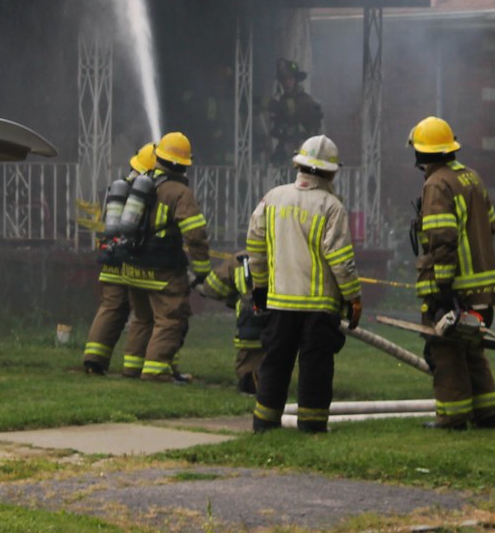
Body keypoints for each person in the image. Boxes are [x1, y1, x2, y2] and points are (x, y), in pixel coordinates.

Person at [246, 134, 362, 432]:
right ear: (331, 172)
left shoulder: (273, 198)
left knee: (275, 362)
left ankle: (264, 423)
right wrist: (353, 297)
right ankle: (312, 427)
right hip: (319, 307)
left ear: (298, 165)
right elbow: (340, 259)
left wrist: (260, 287)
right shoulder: (331, 206)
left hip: (280, 302)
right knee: (316, 366)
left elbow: (255, 246)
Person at [408, 116, 495, 431]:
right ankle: (487, 414)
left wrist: (443, 288)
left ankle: (452, 416)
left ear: (422, 153)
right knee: (473, 349)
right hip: (483, 287)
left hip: (455, 286)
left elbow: (442, 240)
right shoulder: (472, 178)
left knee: (446, 349)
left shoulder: (437, 184)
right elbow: (491, 224)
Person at [121, 131, 212, 383]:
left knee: (142, 319)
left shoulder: (142, 183)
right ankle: (156, 370)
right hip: (162, 269)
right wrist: (202, 270)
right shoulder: (180, 193)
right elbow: (195, 234)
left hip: (133, 265)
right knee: (170, 318)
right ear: (184, 163)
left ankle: (132, 367)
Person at [82, 142, 157, 376]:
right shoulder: (147, 193)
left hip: (111, 256)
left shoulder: (118, 188)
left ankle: (93, 359)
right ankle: (134, 365)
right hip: (133, 260)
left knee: (110, 308)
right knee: (143, 314)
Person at [199, 252, 266, 393]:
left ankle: (251, 386)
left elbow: (213, 288)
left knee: (249, 361)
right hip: (281, 320)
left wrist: (234, 295)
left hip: (250, 321)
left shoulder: (240, 259)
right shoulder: (285, 255)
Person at [264, 58, 323, 166]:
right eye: (283, 79)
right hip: (287, 151)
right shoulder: (283, 100)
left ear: (296, 80)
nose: (286, 83)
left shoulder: (304, 100)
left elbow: (289, 111)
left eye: (290, 78)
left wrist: (269, 104)